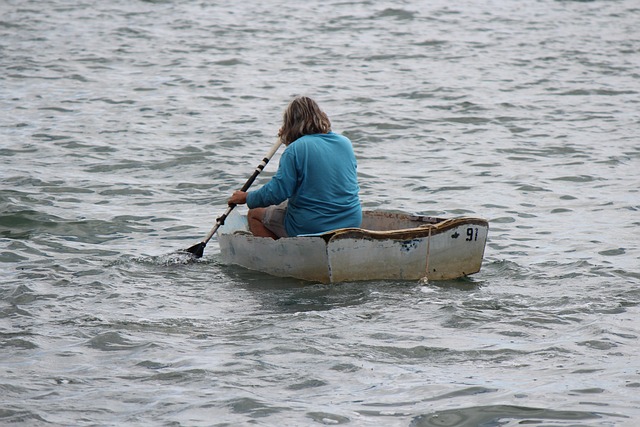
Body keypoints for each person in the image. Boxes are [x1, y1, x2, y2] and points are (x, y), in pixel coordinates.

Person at [227, 96, 362, 238]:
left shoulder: (294, 150)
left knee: (254, 214)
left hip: (310, 225)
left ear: (291, 123)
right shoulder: (344, 143)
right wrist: (290, 139)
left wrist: (247, 198)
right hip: (351, 221)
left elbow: (277, 192)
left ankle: (277, 256)